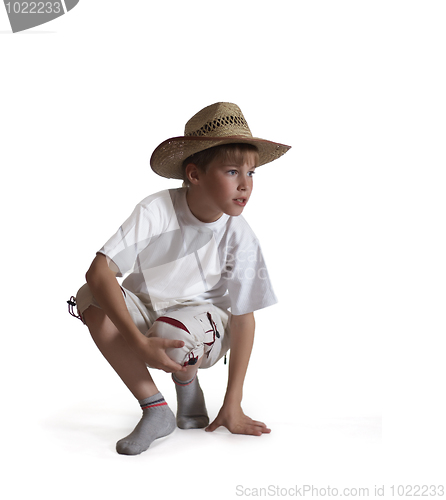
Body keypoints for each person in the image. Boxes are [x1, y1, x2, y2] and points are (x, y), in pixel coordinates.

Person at [69, 102, 291, 455]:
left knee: (172, 329)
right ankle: (155, 408)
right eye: (233, 171)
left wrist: (234, 402)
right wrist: (139, 344)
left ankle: (187, 382)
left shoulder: (240, 235)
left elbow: (244, 317)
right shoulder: (156, 210)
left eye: (251, 174)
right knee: (89, 295)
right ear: (195, 174)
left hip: (203, 325)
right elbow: (99, 271)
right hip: (147, 314)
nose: (245, 185)